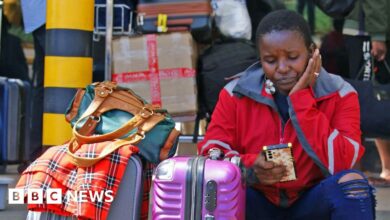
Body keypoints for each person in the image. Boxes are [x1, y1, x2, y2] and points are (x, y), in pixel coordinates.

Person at [198, 10, 375, 219]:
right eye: (270, 60)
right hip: (257, 201)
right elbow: (211, 156)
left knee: (353, 185)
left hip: (311, 200)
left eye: (292, 57)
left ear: (312, 53)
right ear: (260, 58)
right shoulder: (235, 94)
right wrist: (249, 167)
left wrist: (301, 101)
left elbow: (343, 163)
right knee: (212, 189)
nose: (282, 68)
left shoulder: (340, 93)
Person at [343, 0, 390, 186]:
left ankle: (383, 168)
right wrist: (377, 34)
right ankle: (357, 171)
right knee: (365, 101)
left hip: (373, 29)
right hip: (367, 32)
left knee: (374, 99)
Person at [18, 0, 46, 172]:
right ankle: (38, 153)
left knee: (44, 85)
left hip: (43, 16)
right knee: (48, 85)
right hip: (54, 15)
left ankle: (36, 153)